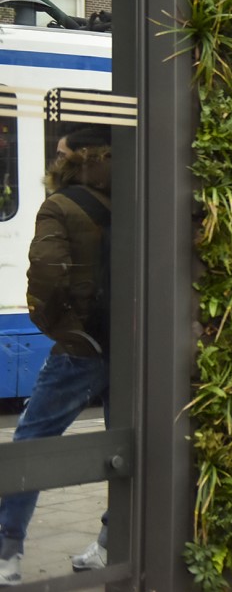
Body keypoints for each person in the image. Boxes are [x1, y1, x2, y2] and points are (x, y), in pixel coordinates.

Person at [0, 125, 112, 586]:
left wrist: (60, 331)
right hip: (132, 342)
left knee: (35, 438)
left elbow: (46, 276)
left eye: (59, 150)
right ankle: (112, 542)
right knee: (128, 440)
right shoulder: (136, 196)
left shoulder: (60, 205)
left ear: (76, 157)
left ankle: (6, 551)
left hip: (83, 345)